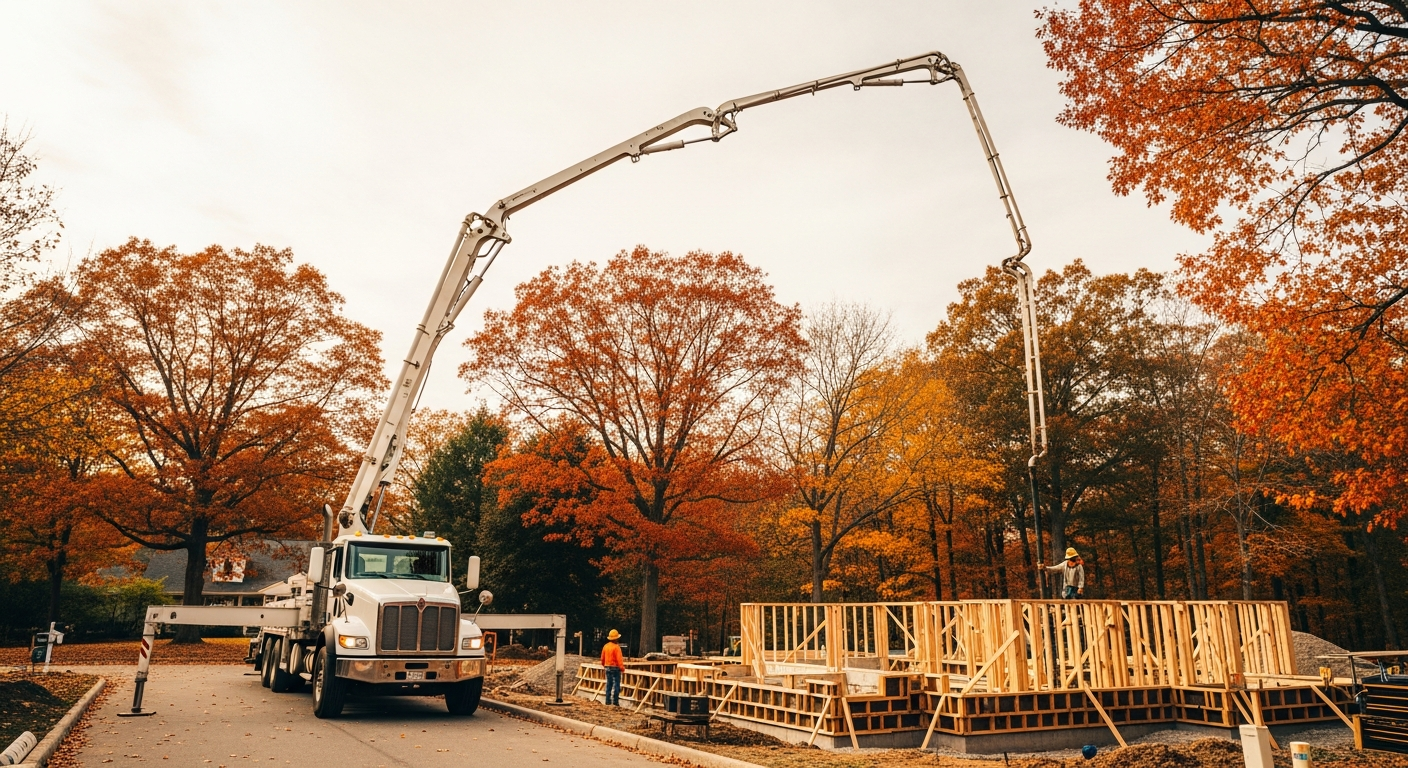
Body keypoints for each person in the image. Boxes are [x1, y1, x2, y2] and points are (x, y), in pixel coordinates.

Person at [601, 629, 625, 706]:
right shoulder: (616, 647)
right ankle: (615, 701)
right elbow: (619, 659)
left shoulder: (606, 646)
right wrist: (622, 668)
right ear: (616, 638)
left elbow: (602, 658)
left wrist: (603, 664)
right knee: (616, 685)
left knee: (609, 684)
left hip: (607, 667)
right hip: (615, 668)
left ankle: (607, 701)